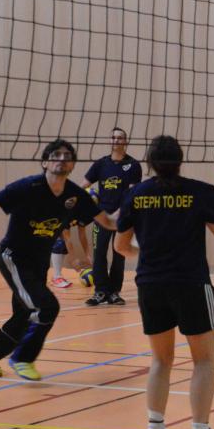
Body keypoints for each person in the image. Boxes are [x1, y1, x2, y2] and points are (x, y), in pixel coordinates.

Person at [0, 139, 114, 381]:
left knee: (23, 316)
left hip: (39, 262)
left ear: (73, 165)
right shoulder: (27, 187)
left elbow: (109, 222)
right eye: (56, 155)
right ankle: (23, 358)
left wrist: (135, 211)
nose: (61, 159)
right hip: (14, 257)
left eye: (67, 156)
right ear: (45, 162)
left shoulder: (76, 195)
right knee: (47, 307)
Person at [113, 135, 214, 429]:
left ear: (150, 163)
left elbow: (121, 246)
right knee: (204, 361)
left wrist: (149, 254)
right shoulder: (201, 191)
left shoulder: (136, 194)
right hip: (190, 283)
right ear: (180, 160)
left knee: (160, 360)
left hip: (150, 285)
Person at [83, 127, 142, 306]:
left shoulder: (133, 165)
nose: (116, 140)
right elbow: (83, 186)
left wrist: (119, 213)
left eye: (120, 138)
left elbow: (132, 193)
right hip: (102, 217)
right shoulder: (101, 164)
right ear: (110, 141)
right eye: (113, 137)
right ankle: (100, 292)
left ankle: (114, 292)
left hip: (123, 217)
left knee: (119, 253)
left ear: (125, 141)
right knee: (99, 253)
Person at [50, 223, 90, 289]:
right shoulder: (67, 218)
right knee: (59, 243)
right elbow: (67, 237)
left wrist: (88, 255)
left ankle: (57, 276)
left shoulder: (83, 218)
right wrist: (72, 258)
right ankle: (56, 277)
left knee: (63, 244)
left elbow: (82, 235)